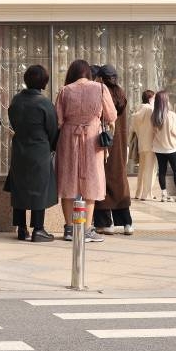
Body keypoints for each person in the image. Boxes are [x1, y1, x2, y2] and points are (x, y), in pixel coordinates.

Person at [54, 59, 117, 243]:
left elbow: (58, 120)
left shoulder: (65, 90)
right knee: (92, 180)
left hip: (69, 138)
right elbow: (112, 115)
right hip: (92, 138)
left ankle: (69, 229)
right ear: (88, 73)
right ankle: (87, 229)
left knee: (68, 181)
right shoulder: (100, 88)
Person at [5, 64, 58, 242]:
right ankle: (38, 229)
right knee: (39, 189)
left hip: (19, 149)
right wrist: (50, 146)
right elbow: (53, 129)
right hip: (39, 150)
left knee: (19, 187)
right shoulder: (45, 103)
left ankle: (21, 228)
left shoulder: (16, 100)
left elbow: (13, 122)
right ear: (44, 82)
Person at [93, 64, 133, 235]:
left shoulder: (101, 92)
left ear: (101, 78)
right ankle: (127, 222)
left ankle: (105, 223)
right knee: (119, 180)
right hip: (119, 143)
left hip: (103, 142)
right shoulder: (121, 93)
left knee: (102, 181)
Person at [151, 91, 176, 203]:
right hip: (171, 147)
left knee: (162, 171)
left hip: (158, 147)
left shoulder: (153, 116)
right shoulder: (172, 115)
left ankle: (164, 194)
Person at [131, 89, 157, 200]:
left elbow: (133, 128)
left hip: (141, 143)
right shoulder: (150, 109)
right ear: (150, 98)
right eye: (154, 98)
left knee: (142, 169)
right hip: (151, 143)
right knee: (151, 169)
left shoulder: (138, 109)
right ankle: (147, 194)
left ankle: (139, 192)